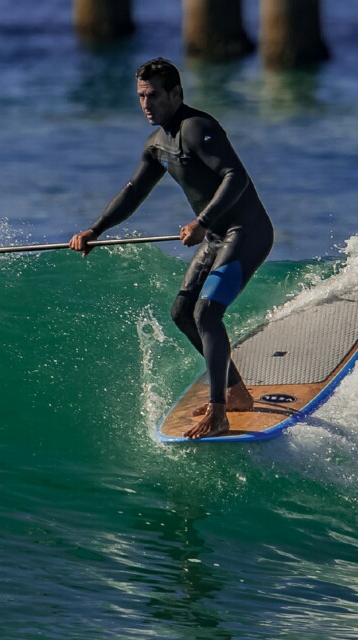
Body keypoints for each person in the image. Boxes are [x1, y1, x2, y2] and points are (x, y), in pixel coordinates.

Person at [70, 58, 274, 439]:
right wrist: (96, 229)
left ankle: (218, 413)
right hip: (216, 236)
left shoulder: (197, 128)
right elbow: (134, 191)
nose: (146, 104)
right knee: (183, 312)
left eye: (153, 96)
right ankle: (235, 392)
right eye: (141, 96)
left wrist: (202, 222)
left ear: (176, 93)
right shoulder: (157, 146)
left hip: (247, 232)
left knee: (207, 313)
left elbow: (236, 177)